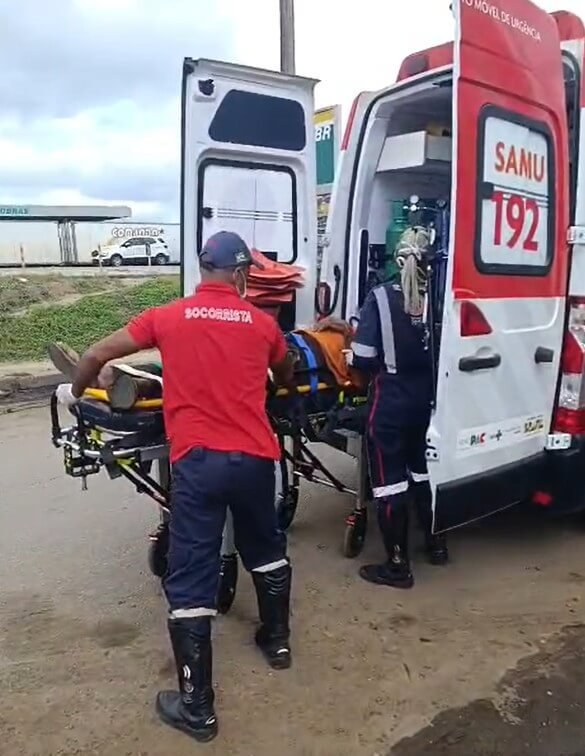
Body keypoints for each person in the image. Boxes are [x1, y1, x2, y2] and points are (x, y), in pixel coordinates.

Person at [55, 231, 295, 743]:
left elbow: (96, 354)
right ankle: (277, 642)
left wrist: (76, 395)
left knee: (190, 574)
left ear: (203, 269)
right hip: (255, 458)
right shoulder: (262, 323)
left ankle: (198, 709)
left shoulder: (168, 317)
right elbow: (285, 371)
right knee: (266, 547)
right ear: (240, 274)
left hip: (200, 463)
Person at [350, 226, 448, 590]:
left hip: (389, 402)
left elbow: (363, 358)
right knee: (420, 472)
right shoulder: (435, 298)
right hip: (423, 401)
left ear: (395, 257)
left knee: (389, 483)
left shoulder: (379, 297)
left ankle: (397, 566)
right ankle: (436, 546)